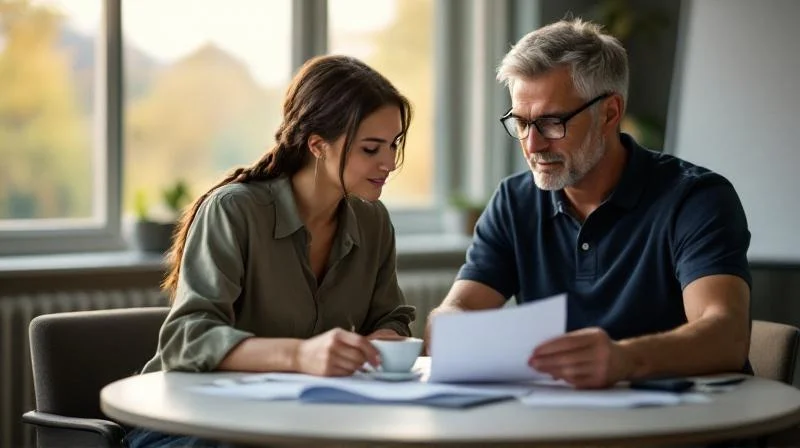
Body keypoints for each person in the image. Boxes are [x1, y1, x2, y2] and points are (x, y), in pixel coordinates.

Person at [426, 18, 752, 390]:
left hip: (689, 425)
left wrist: (624, 359)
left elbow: (726, 334)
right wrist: (448, 324)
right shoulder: (513, 202)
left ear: (610, 113)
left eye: (551, 122)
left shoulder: (697, 199)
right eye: (521, 123)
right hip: (564, 423)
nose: (532, 146)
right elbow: (459, 311)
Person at [126, 55, 415, 447]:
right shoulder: (235, 210)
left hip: (300, 424)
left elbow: (391, 317)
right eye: (370, 148)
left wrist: (384, 341)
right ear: (317, 144)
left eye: (393, 144)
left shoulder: (373, 221)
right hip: (194, 425)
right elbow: (187, 338)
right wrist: (300, 356)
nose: (389, 163)